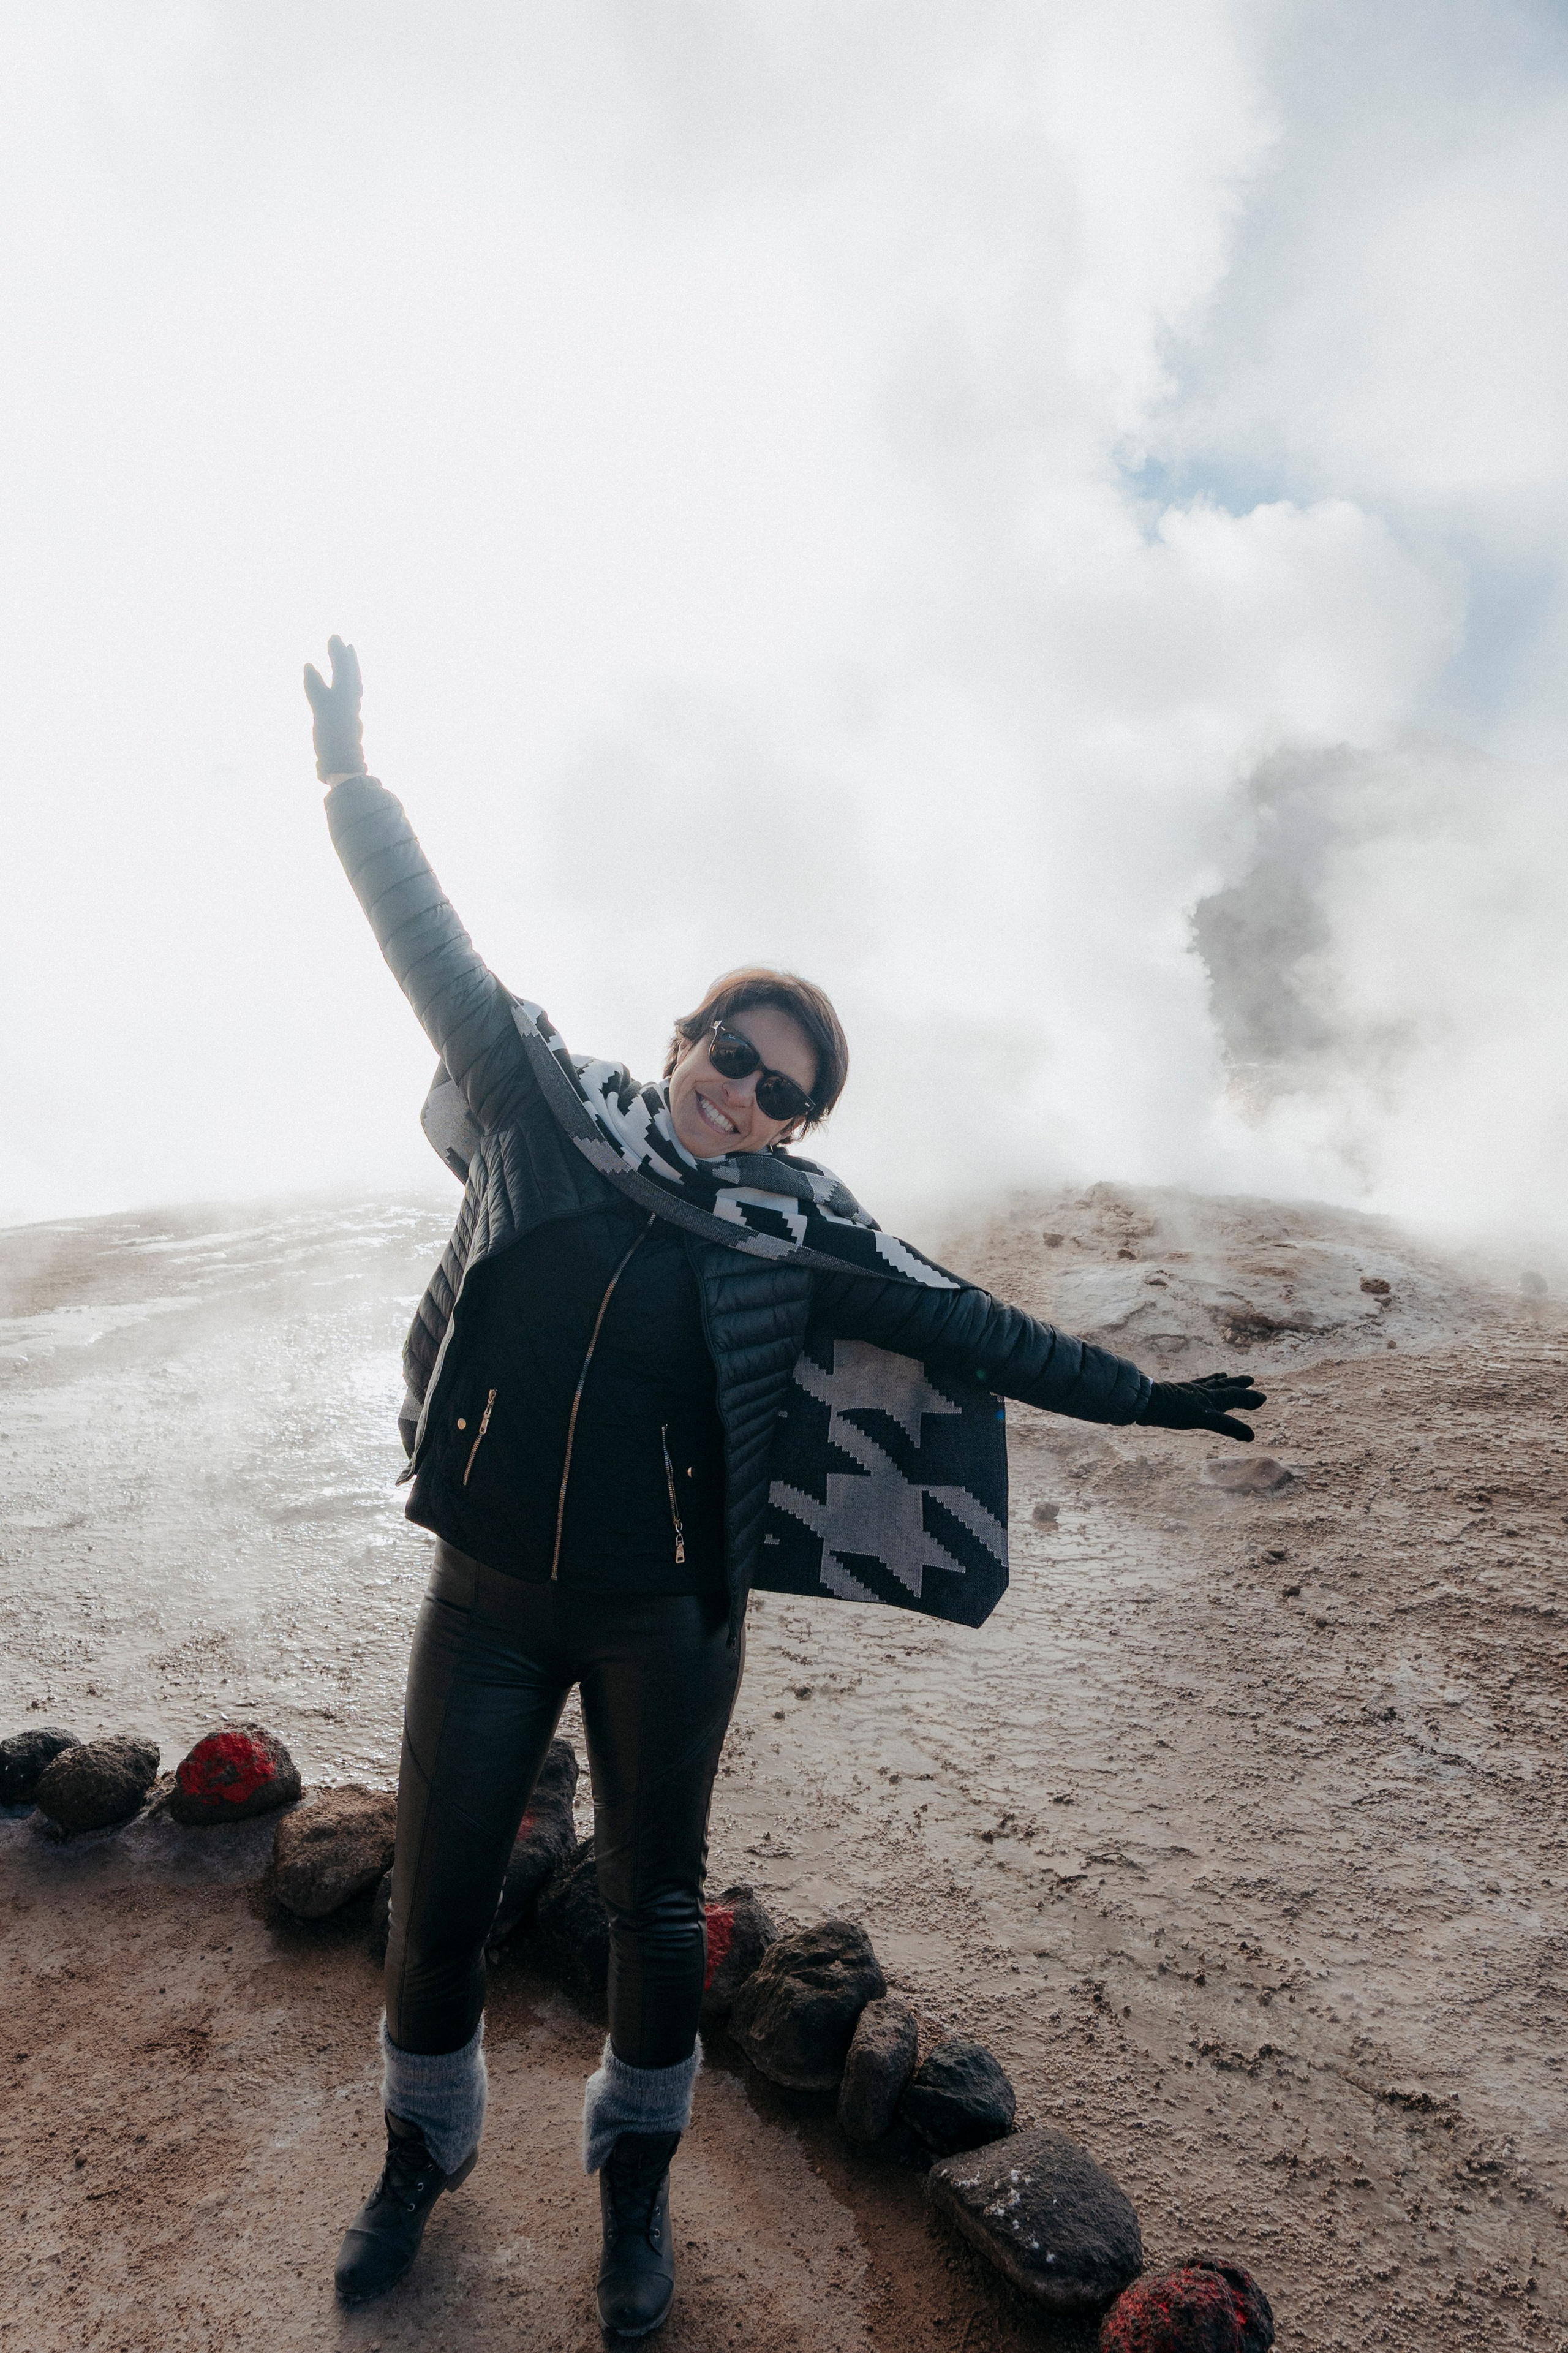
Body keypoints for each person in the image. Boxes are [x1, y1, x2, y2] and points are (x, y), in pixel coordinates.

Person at [304, 638, 1264, 2341]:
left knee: (657, 1919)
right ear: (685, 1033)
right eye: (730, 1052)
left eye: (781, 1087)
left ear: (803, 1119)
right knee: (440, 1900)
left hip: (666, 1620)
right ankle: (416, 2155)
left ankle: (632, 2200)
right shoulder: (544, 1104)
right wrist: (349, 775)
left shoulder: (804, 1232)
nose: (739, 1092)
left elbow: (974, 1323)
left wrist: (1149, 1397)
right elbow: (421, 935)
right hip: (489, 1595)